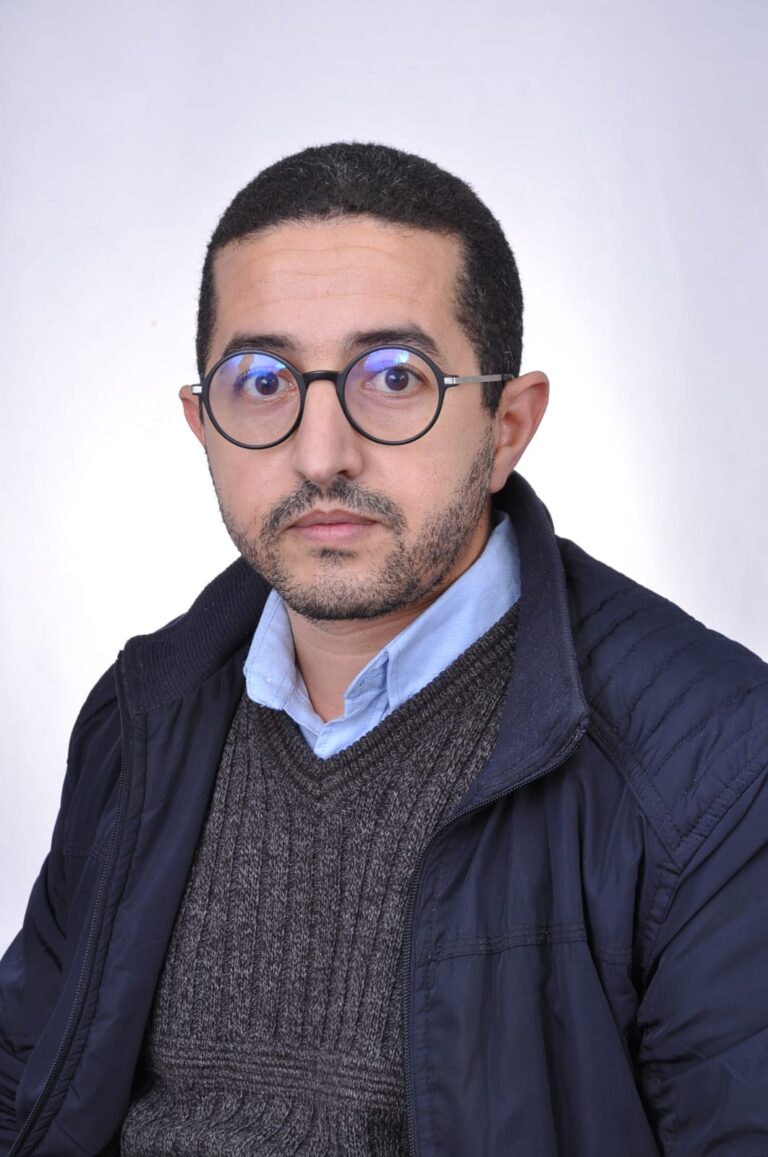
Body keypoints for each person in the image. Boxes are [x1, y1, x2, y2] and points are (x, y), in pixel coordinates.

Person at [1, 141, 767, 1157]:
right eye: (262, 380)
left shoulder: (714, 762)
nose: (320, 455)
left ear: (507, 425)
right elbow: (21, 1087)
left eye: (395, 376)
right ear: (202, 423)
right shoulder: (144, 715)